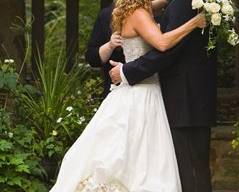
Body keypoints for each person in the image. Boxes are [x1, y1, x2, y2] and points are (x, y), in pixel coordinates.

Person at [50, 0, 206, 191]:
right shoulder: (139, 13)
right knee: (137, 158)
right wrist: (194, 23)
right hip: (142, 94)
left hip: (141, 90)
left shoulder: (133, 10)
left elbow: (158, 4)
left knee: (139, 157)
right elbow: (163, 44)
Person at [109, 0, 217, 191]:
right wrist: (194, 22)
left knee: (185, 167)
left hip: (181, 96)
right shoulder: (143, 12)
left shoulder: (178, 5)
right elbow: (163, 43)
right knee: (178, 166)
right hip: (160, 95)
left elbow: (167, 48)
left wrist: (127, 71)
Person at [86, 0, 168, 97]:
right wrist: (110, 45)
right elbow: (92, 58)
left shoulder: (160, 13)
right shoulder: (107, 15)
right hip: (119, 87)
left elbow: (163, 48)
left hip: (157, 85)